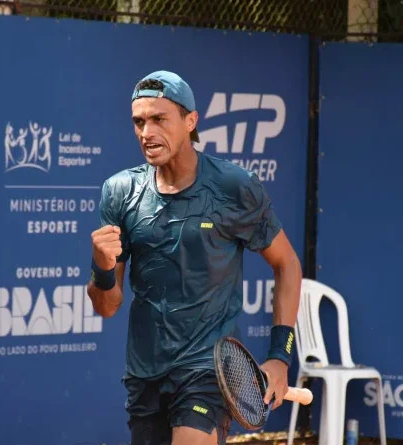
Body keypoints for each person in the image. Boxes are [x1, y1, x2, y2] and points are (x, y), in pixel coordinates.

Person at [87, 71, 303, 445]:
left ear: (190, 121)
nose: (146, 133)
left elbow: (287, 264)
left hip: (209, 368)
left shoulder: (234, 186)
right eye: (139, 122)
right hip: (145, 373)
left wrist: (280, 358)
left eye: (159, 119)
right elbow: (107, 306)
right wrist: (102, 268)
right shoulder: (119, 192)